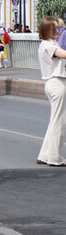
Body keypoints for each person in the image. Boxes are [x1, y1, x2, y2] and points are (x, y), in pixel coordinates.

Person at [36, 17, 66, 166]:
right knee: (59, 123)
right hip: (57, 83)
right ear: (46, 30)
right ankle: (55, 158)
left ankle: (45, 154)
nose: (57, 31)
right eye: (54, 29)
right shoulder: (48, 45)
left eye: (58, 28)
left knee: (55, 121)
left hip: (54, 83)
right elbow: (64, 54)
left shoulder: (47, 44)